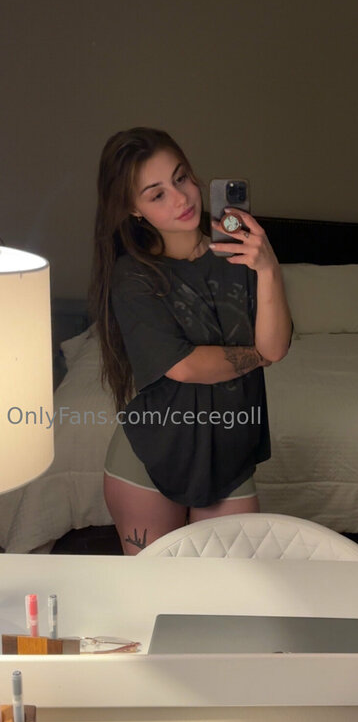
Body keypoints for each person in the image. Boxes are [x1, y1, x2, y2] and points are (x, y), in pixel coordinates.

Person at [89, 127, 292, 554]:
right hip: (150, 455)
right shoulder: (134, 276)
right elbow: (185, 366)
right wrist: (258, 356)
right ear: (134, 209)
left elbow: (276, 347)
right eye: (157, 194)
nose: (180, 199)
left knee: (230, 589)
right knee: (154, 589)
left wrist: (269, 267)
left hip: (231, 457)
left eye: (181, 178)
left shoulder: (242, 254)